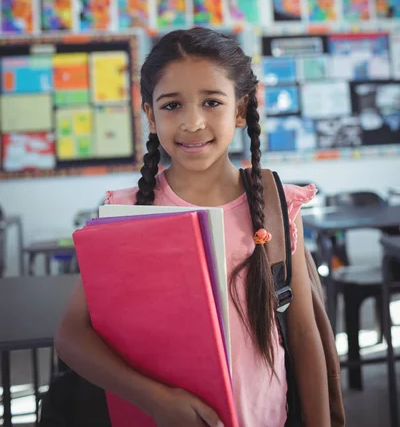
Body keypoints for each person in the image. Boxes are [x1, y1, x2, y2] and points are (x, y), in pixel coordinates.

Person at [55, 27, 330, 427]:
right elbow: (70, 336)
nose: (193, 122)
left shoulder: (276, 205)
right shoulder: (127, 211)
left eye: (211, 102)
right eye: (171, 106)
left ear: (240, 110)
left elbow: (304, 337)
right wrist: (156, 400)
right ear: (150, 115)